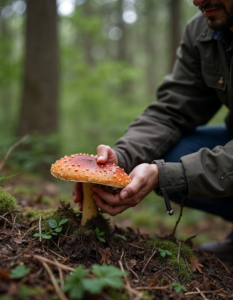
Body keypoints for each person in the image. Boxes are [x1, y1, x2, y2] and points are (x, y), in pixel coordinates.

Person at [73, 0, 233, 260]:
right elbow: (173, 110)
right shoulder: (202, 30)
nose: (198, 1)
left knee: (173, 168)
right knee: (169, 154)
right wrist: (121, 159)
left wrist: (169, 175)